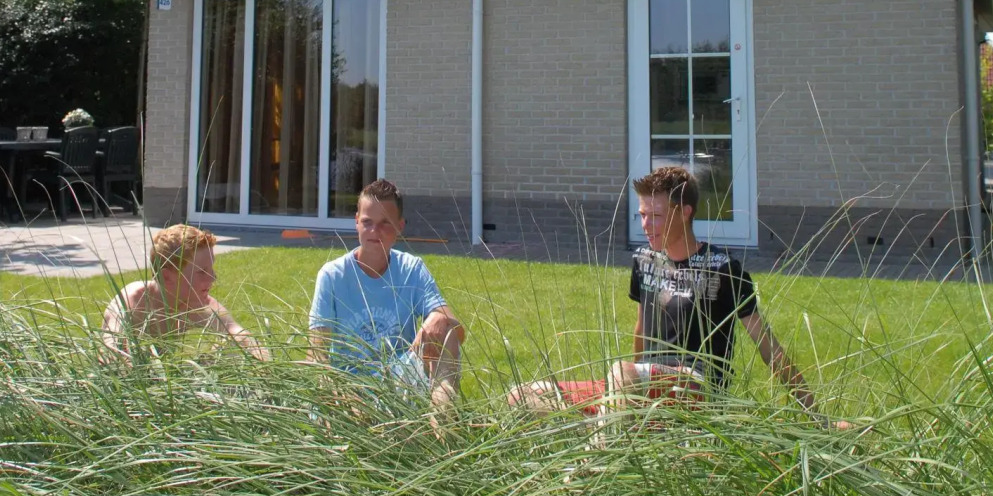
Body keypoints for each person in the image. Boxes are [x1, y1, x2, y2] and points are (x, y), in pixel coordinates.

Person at [511, 166, 847, 428]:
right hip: (640, 383)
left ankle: (594, 469)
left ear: (684, 212)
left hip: (696, 388)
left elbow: (768, 347)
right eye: (642, 215)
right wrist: (629, 386)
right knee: (522, 396)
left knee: (622, 377)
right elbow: (641, 331)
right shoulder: (644, 261)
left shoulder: (723, 268)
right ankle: (614, 429)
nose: (645, 225)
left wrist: (819, 418)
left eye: (655, 216)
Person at [307, 179, 464, 409]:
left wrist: (439, 317)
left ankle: (442, 420)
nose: (374, 231)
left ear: (400, 226)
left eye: (385, 223)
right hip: (349, 390)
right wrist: (335, 396)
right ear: (356, 222)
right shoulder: (332, 276)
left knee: (446, 331)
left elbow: (457, 332)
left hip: (400, 382)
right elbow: (317, 353)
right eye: (367, 222)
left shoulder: (411, 269)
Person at [101, 223, 269, 361]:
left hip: (164, 378)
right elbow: (109, 350)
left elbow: (238, 333)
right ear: (166, 276)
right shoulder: (133, 301)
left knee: (231, 349)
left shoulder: (196, 304)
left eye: (211, 268)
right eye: (202, 271)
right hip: (125, 382)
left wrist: (264, 363)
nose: (213, 277)